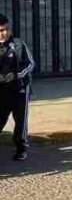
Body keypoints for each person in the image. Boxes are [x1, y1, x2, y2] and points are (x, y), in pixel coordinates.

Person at [0, 14, 35, 161]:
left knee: (20, 120)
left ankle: (21, 148)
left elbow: (30, 64)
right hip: (2, 91)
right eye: (1, 30)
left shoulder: (18, 44)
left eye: (7, 29)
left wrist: (15, 75)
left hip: (20, 89)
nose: (4, 33)